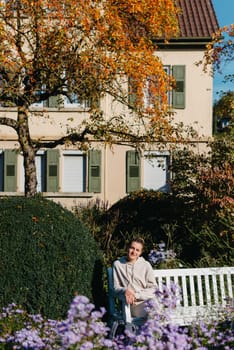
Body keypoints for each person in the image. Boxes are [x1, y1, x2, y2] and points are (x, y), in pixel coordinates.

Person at [113, 237, 157, 319]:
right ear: (127, 248)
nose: (134, 252)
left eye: (137, 250)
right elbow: (115, 288)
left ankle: (153, 330)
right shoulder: (118, 264)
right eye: (132, 248)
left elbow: (154, 289)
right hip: (129, 305)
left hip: (144, 302)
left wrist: (136, 295)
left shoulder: (146, 265)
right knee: (154, 312)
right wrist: (125, 290)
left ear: (140, 252)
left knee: (154, 307)